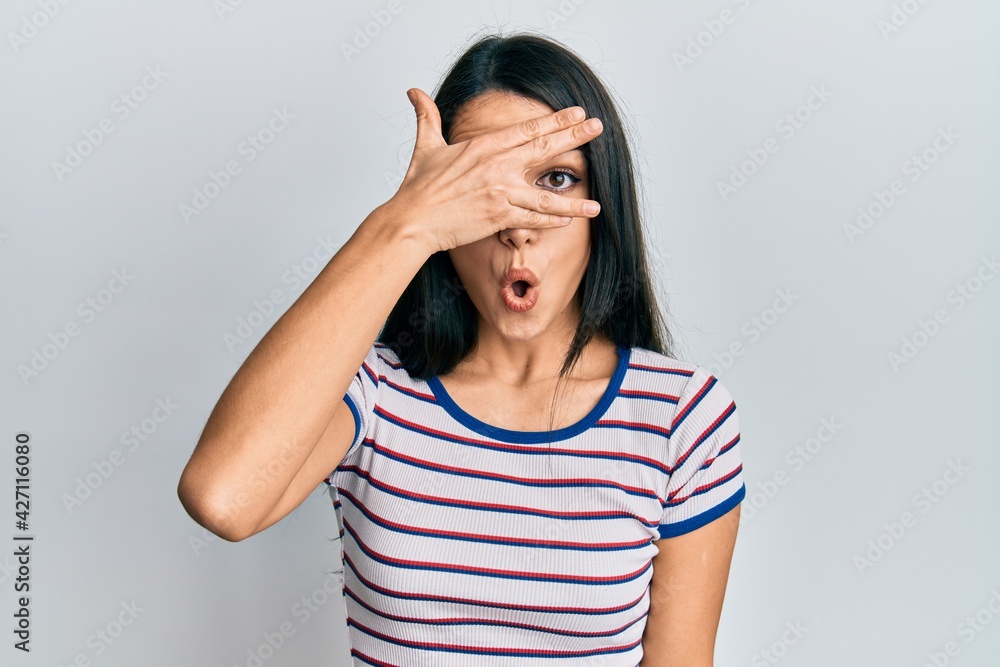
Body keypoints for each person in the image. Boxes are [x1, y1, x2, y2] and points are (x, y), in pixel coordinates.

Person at [178, 30, 745, 666]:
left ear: (603, 200)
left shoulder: (682, 418)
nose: (518, 223)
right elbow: (223, 498)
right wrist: (406, 222)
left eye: (556, 179)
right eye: (482, 186)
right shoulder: (373, 391)